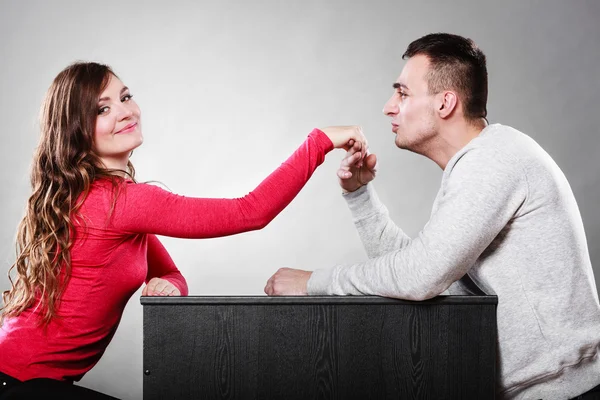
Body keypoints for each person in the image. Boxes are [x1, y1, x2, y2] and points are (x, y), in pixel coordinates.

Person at [0, 62, 368, 399]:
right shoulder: (120, 203)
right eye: (103, 108)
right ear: (76, 131)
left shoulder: (111, 203)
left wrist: (171, 285)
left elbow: (170, 273)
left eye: (125, 97)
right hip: (20, 383)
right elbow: (251, 212)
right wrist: (319, 140)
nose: (126, 111)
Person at [264, 33, 600, 400]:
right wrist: (359, 196)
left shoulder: (493, 161)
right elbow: (430, 277)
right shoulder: (476, 163)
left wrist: (313, 282)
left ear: (445, 103)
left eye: (403, 94)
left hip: (565, 392)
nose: (389, 107)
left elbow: (420, 276)